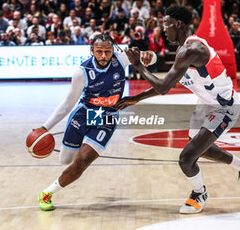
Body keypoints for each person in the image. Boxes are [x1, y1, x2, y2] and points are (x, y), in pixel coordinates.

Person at [117, 5, 240, 214]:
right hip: (205, 104)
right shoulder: (185, 50)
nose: (163, 30)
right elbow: (167, 83)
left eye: (166, 25)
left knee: (186, 158)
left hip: (224, 107)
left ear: (178, 24)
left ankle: (199, 193)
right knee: (199, 147)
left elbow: (164, 87)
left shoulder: (192, 50)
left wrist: (138, 65)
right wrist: (136, 98)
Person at [34, 33, 156, 211]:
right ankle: (74, 162)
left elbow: (152, 58)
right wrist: (45, 127)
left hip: (107, 116)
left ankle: (46, 193)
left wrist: (149, 55)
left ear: (113, 50)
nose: (104, 56)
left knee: (83, 161)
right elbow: (68, 103)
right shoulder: (81, 72)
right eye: (99, 52)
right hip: (83, 115)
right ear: (92, 51)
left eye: (107, 51)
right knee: (65, 160)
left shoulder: (122, 59)